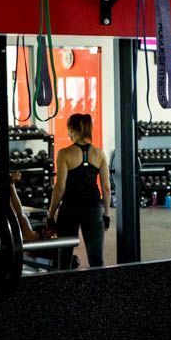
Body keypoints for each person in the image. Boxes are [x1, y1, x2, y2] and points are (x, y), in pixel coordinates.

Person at [47, 113, 110, 268]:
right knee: (96, 261)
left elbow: (60, 187)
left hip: (70, 209)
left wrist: (50, 215)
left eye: (68, 130)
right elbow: (106, 188)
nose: (68, 134)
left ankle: (64, 291)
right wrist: (106, 214)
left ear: (71, 130)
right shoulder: (99, 153)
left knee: (64, 259)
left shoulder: (64, 154)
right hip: (93, 208)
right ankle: (98, 291)